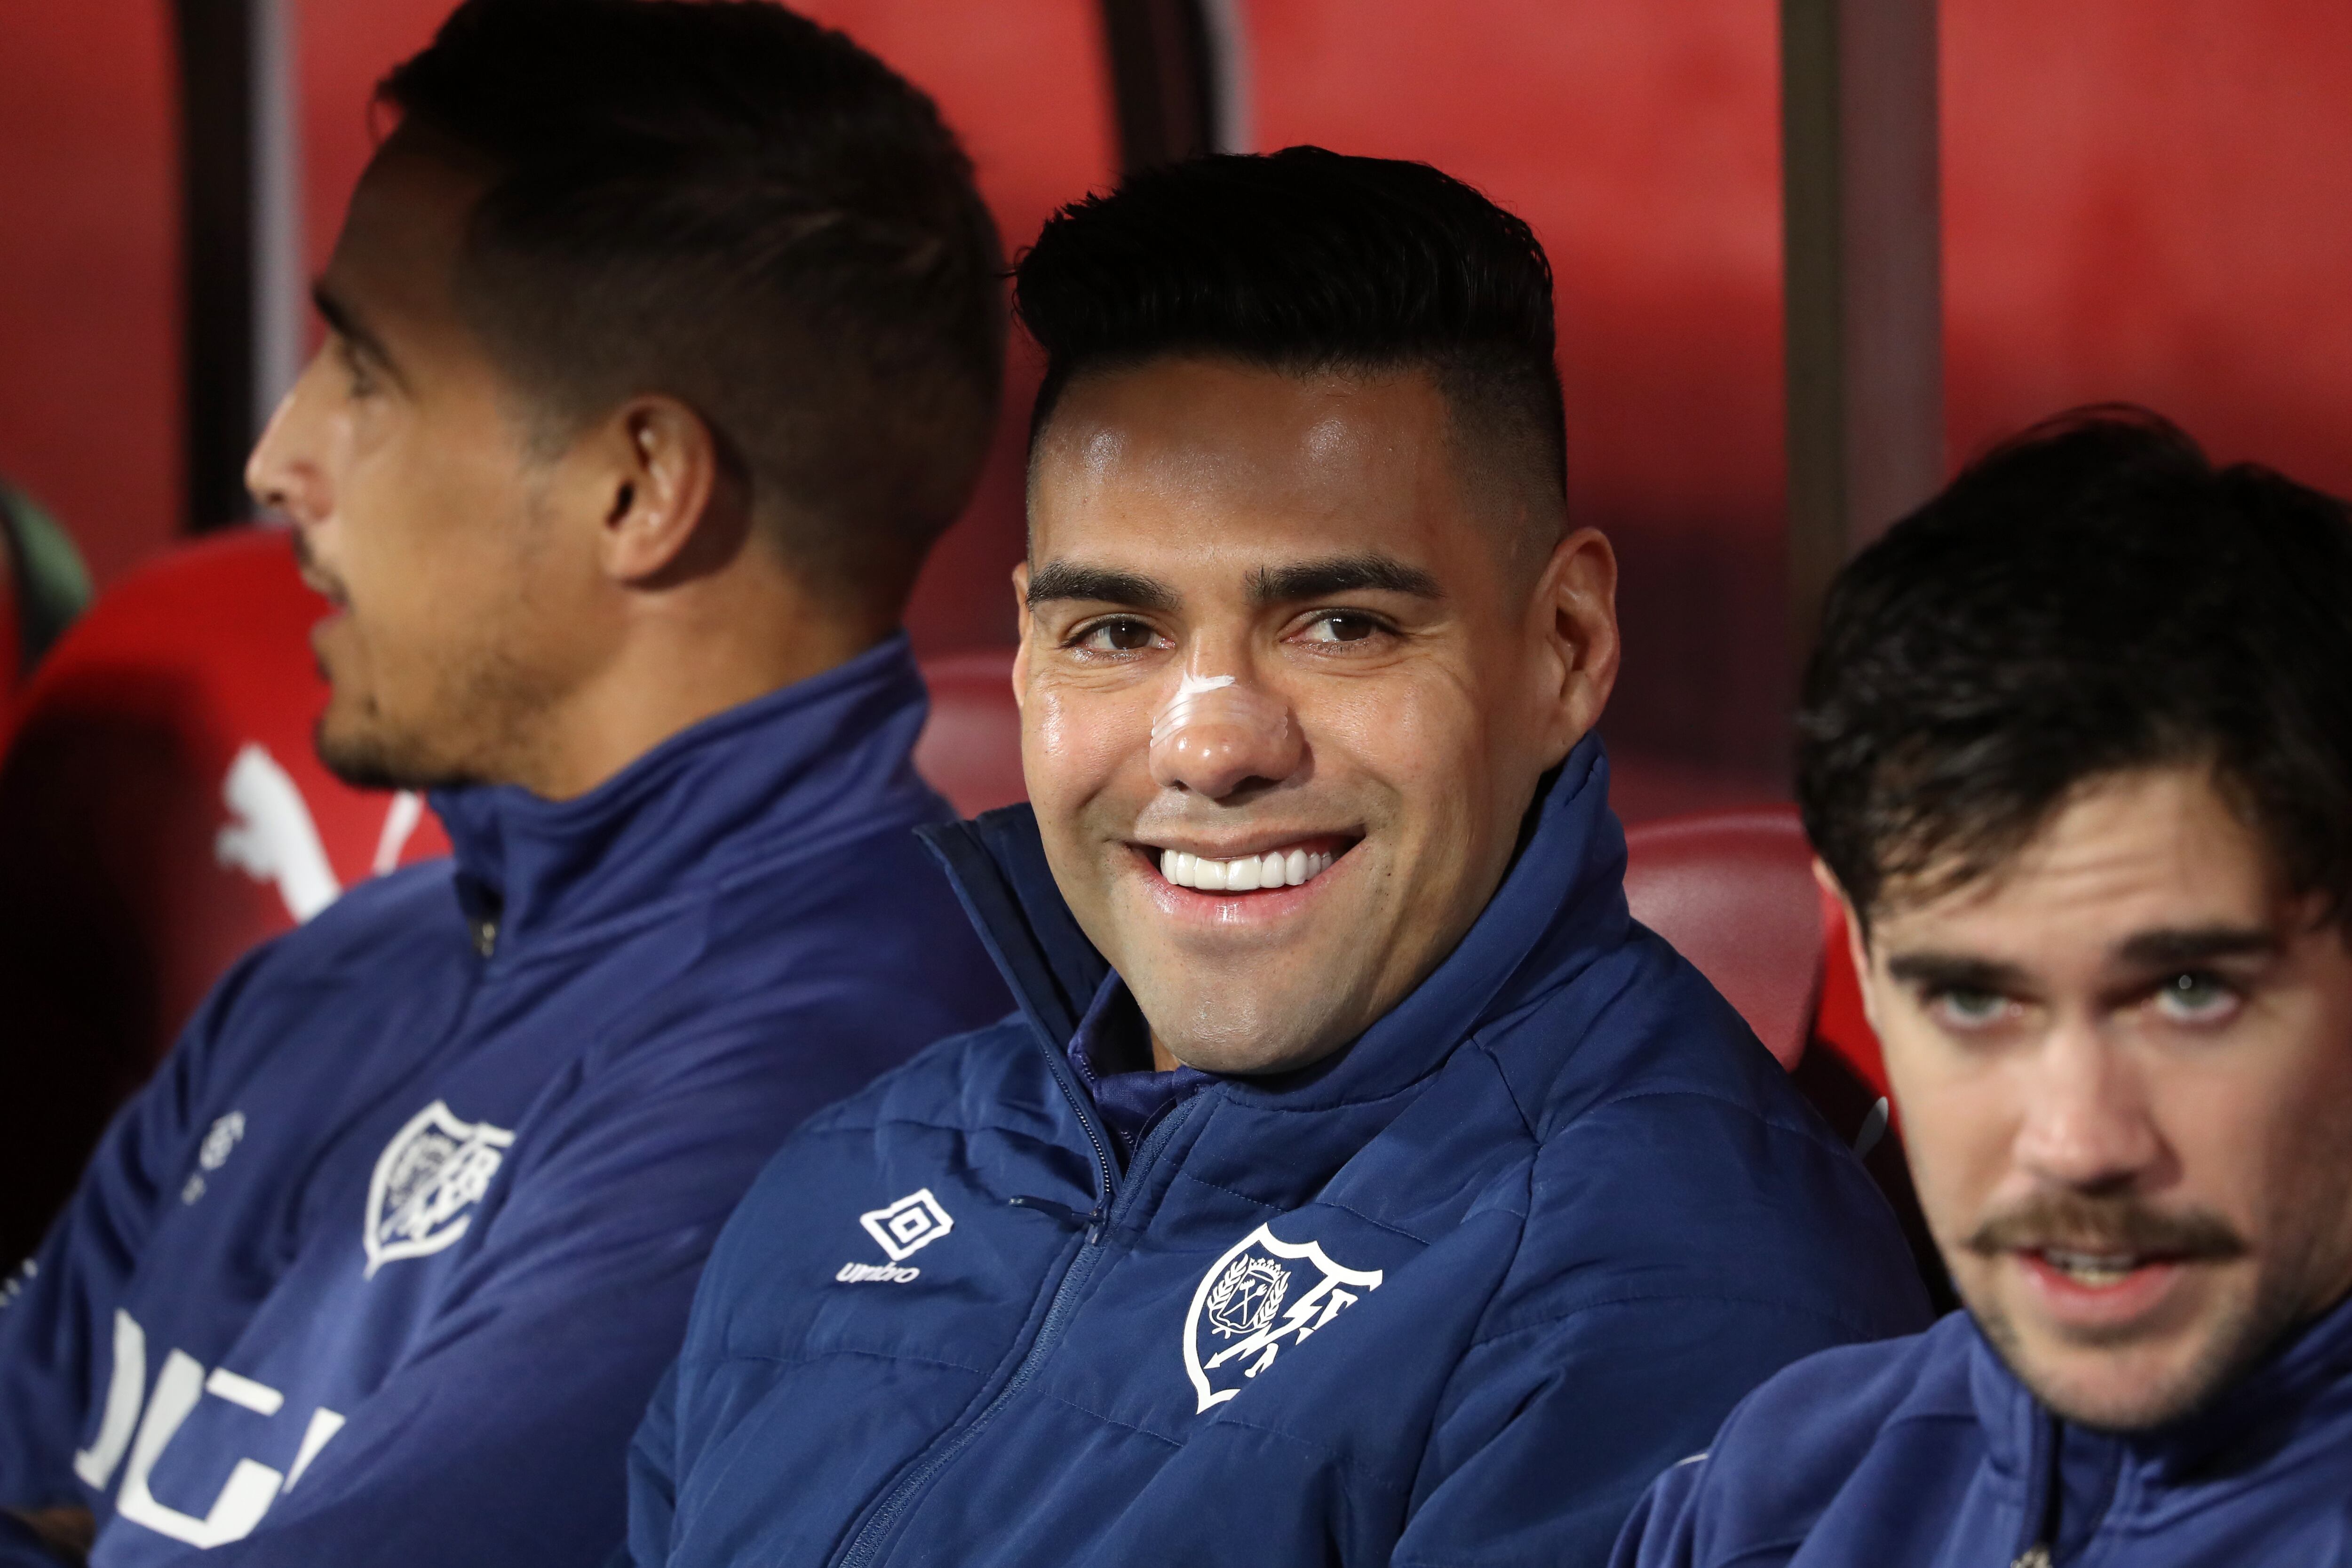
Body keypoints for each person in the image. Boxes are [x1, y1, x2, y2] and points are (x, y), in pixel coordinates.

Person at [623, 147, 1932, 1568]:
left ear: (1565, 648)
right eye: (1116, 633)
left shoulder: (1671, 1283)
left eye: (1343, 624)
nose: (1211, 743)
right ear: (1024, 651)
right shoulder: (859, 1160)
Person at [0, 2, 1011, 1563]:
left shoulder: (846, 1102)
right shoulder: (335, 970)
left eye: (370, 373)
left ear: (636, 487)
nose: (282, 457)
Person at [1611, 410, 2352, 1567]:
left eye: (2189, 991)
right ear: (1858, 956)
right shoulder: (1785, 1481)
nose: (2075, 1141)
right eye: (1972, 999)